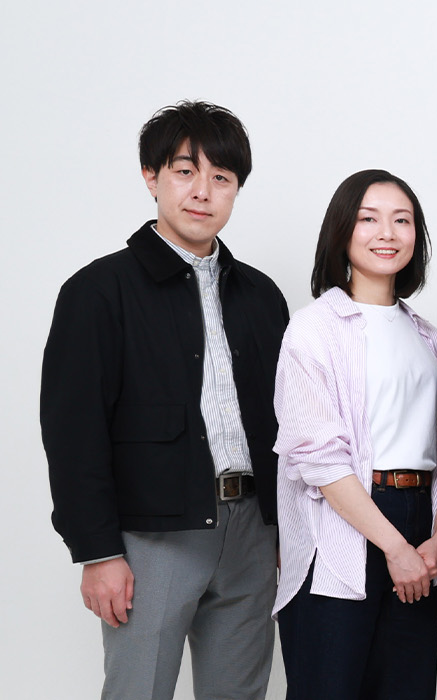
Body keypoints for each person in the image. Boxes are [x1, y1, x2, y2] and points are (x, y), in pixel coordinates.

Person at [43, 100, 288, 700]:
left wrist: (288, 531)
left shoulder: (261, 296)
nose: (203, 191)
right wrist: (97, 551)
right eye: (185, 171)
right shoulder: (98, 291)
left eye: (221, 177)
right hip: (151, 538)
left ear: (236, 190)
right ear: (151, 177)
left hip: (253, 532)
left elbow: (287, 421)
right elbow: (73, 434)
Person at [273, 170, 437, 699]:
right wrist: (394, 547)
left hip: (420, 521)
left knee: (407, 688)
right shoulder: (314, 328)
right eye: (369, 219)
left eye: (402, 220)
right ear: (342, 231)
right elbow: (320, 459)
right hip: (343, 522)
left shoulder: (428, 336)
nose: (387, 233)